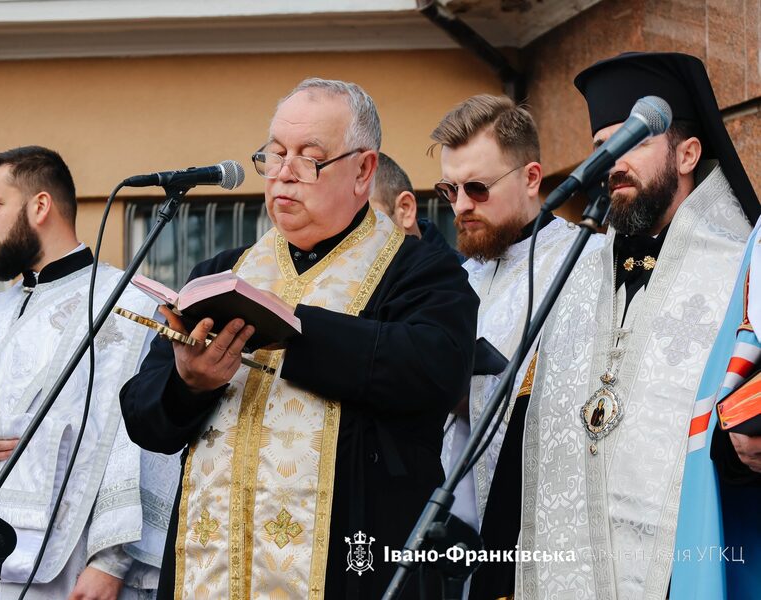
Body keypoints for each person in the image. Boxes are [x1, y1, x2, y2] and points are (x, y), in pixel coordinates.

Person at [119, 78, 478, 599]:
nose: (284, 173)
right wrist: (188, 383)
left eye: (310, 158)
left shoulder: (419, 268)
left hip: (354, 562)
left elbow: (434, 369)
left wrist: (292, 327)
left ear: (363, 170)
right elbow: (144, 419)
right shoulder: (222, 273)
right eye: (275, 153)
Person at [518, 52, 758, 599]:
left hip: (688, 561)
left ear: (688, 153)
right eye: (603, 144)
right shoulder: (577, 275)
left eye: (633, 141)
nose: (612, 161)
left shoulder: (741, 270)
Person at [0, 145, 178, 599]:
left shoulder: (131, 307)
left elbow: (151, 440)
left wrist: (112, 563)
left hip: (78, 566)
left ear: (40, 205)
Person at [430, 94, 603, 599]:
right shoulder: (457, 278)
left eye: (478, 188)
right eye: (450, 189)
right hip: (458, 540)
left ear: (531, 178)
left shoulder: (590, 263)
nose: (461, 206)